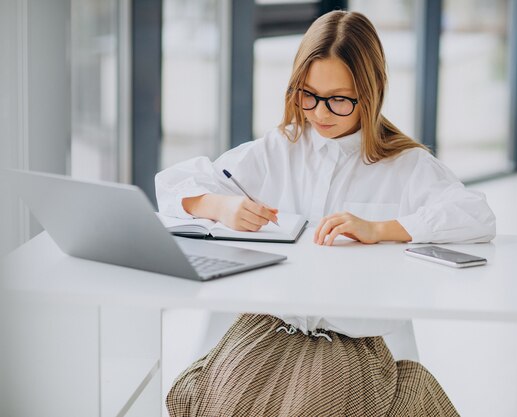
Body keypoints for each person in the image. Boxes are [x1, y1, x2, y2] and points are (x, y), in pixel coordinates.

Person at [157, 10, 495, 417]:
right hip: (269, 333)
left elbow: (476, 216)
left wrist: (382, 229)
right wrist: (221, 206)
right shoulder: (279, 150)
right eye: (308, 94)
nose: (319, 113)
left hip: (353, 346)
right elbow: (174, 185)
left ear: (370, 93)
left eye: (338, 99)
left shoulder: (406, 165)